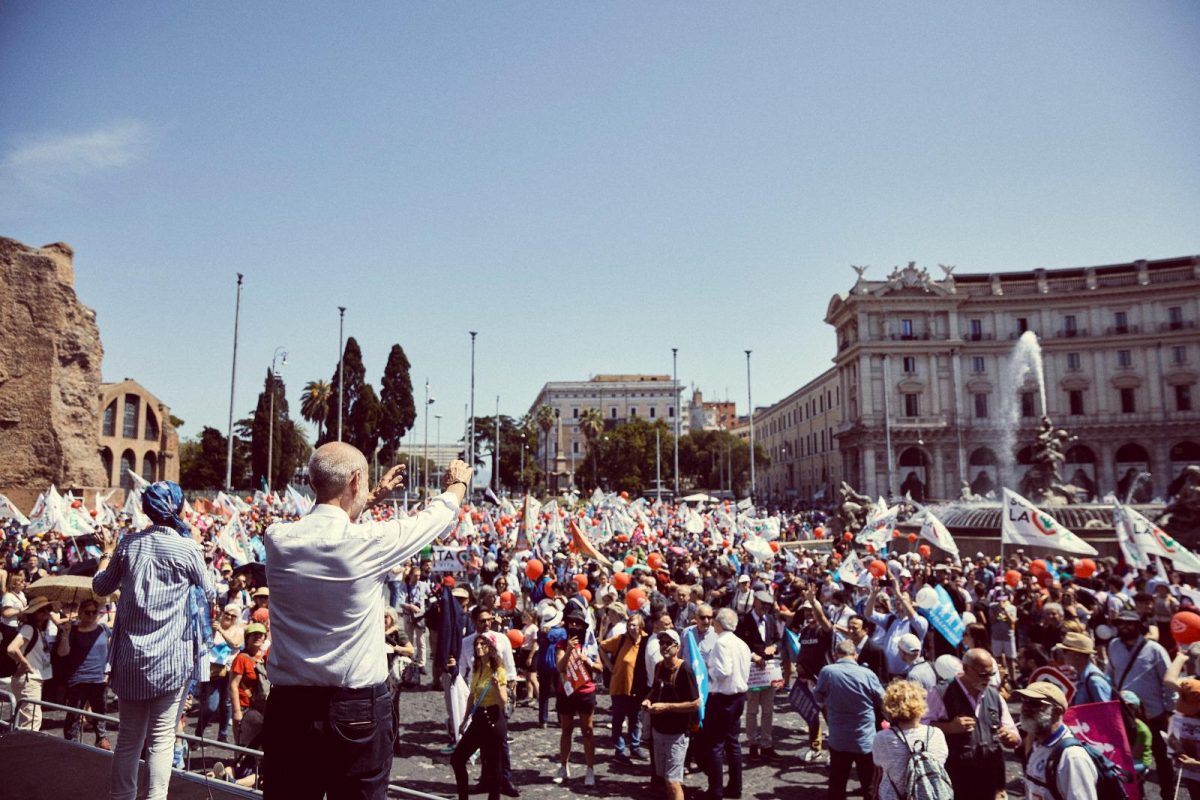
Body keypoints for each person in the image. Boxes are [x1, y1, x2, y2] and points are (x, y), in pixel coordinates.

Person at [262, 445, 469, 800]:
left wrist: (368, 499)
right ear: (356, 480)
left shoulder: (277, 539)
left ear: (313, 482)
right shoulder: (368, 542)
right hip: (355, 708)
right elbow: (432, 519)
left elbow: (327, 527)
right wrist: (457, 485)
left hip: (290, 708)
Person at [93, 480, 215, 800]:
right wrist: (196, 549)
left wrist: (107, 552)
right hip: (171, 662)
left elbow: (101, 587)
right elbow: (211, 591)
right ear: (177, 507)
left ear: (147, 509)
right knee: (162, 740)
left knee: (129, 740)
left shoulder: (128, 544)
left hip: (130, 658)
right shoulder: (187, 548)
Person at [924, 648, 1020, 800]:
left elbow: (1013, 734)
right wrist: (949, 728)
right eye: (982, 674)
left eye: (991, 674)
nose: (987, 679)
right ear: (966, 669)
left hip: (989, 780)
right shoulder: (941, 693)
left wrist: (1010, 737)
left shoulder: (994, 695)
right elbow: (921, 729)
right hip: (956, 779)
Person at [1106, 609, 1175, 790]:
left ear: (1138, 626)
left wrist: (1169, 711)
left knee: (1163, 760)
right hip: (1128, 717)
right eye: (1121, 623)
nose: (1125, 627)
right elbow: (1110, 676)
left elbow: (1168, 682)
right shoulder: (1113, 645)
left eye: (1129, 623)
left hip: (1155, 714)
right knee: (1130, 762)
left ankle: (1168, 794)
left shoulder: (1155, 650)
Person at [813, 638, 885, 800]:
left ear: (835, 654)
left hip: (839, 738)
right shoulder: (868, 674)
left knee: (837, 782)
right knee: (869, 783)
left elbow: (818, 696)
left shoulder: (828, 672)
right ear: (855, 655)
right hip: (864, 738)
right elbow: (883, 700)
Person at [451, 632, 509, 800]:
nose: (478, 647)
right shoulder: (477, 668)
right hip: (478, 719)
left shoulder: (498, 670)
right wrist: (464, 720)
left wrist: (497, 687)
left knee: (493, 765)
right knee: (457, 759)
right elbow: (471, 697)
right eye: (476, 644)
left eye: (482, 644)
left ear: (490, 647)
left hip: (493, 719)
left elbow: (503, 701)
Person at [644, 629, 700, 800]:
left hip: (677, 734)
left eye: (668, 643)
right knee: (663, 778)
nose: (664, 646)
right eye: (661, 643)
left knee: (672, 780)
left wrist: (667, 707)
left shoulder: (685, 670)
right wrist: (647, 700)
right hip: (658, 731)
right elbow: (654, 689)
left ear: (677, 646)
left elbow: (696, 703)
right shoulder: (659, 666)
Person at [1018, 681, 1099, 800]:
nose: (1025, 708)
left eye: (1034, 703)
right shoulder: (1038, 745)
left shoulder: (1071, 757)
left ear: (1057, 711)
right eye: (1024, 701)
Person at [702, 607, 751, 800]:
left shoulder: (721, 643)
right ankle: (735, 788)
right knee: (733, 743)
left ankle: (715, 791)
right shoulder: (741, 644)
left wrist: (708, 671)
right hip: (738, 696)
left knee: (715, 744)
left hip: (723, 698)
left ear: (719, 623)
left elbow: (723, 671)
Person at [871, 680, 949, 800]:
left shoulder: (882, 738)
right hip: (930, 795)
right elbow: (942, 760)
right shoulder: (936, 734)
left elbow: (878, 763)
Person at [56, 597, 112, 749]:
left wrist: (109, 671)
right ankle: (71, 743)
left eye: (95, 612)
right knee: (74, 713)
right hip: (78, 678)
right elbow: (62, 653)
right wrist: (65, 635)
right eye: (87, 612)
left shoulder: (103, 629)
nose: (91, 615)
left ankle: (101, 738)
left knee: (100, 712)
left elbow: (111, 650)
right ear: (80, 612)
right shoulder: (72, 630)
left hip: (99, 678)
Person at [555, 606, 602, 786]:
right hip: (566, 692)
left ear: (584, 625)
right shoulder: (561, 644)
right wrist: (568, 650)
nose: (574, 625)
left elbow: (600, 668)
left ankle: (590, 769)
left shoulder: (590, 644)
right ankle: (563, 766)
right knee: (566, 730)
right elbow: (560, 667)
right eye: (571, 622)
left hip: (585, 691)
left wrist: (587, 661)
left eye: (578, 623)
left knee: (587, 730)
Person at [735, 589, 782, 760]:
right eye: (763, 604)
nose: (765, 608)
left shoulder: (770, 619)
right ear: (755, 601)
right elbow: (738, 644)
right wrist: (752, 656)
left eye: (768, 605)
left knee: (768, 709)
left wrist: (774, 647)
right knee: (752, 709)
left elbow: (778, 639)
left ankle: (767, 744)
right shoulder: (743, 621)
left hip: (769, 669)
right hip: (753, 670)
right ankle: (753, 744)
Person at [602, 609, 648, 763]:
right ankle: (619, 750)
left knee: (635, 719)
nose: (632, 628)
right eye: (630, 625)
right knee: (618, 718)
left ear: (641, 626)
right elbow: (601, 646)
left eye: (635, 625)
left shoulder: (646, 641)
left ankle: (635, 747)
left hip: (637, 686)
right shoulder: (621, 639)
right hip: (619, 685)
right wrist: (609, 666)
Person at [6, 595, 57, 731]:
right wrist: (26, 664)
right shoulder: (29, 629)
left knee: (29, 719)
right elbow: (11, 649)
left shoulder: (38, 630)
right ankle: (26, 750)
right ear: (33, 613)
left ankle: (22, 749)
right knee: (32, 721)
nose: (46, 613)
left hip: (32, 679)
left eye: (48, 609)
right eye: (42, 610)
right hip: (29, 679)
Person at [229, 621, 269, 781]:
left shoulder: (261, 658)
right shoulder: (242, 658)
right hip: (245, 709)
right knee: (243, 747)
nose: (258, 637)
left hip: (258, 710)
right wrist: (237, 711)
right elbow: (232, 685)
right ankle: (237, 778)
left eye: (261, 635)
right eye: (255, 635)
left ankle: (242, 775)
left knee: (255, 747)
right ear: (247, 638)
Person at [1054, 632, 1111, 706]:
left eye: (1065, 651)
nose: (1062, 655)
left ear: (1077, 655)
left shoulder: (1094, 681)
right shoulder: (1080, 675)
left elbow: (1106, 713)